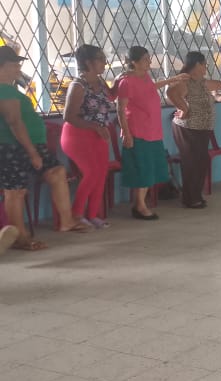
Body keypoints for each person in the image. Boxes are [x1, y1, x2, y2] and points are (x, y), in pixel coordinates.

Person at [0, 45, 90, 249]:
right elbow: (14, 122)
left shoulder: (10, 89)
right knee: (15, 191)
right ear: (2, 66)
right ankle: (20, 238)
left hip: (30, 144)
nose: (18, 68)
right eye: (14, 64)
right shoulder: (3, 90)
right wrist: (32, 152)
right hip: (12, 147)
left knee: (56, 172)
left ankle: (66, 221)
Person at [115, 46, 187, 220]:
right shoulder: (126, 82)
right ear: (134, 62)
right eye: (146, 59)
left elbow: (150, 87)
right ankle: (140, 205)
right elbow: (120, 109)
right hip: (138, 131)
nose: (150, 61)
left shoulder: (145, 77)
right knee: (143, 169)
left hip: (153, 130)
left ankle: (139, 204)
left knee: (151, 168)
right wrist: (127, 133)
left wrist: (173, 79)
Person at [166, 52, 221, 208]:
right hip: (188, 128)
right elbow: (170, 93)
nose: (206, 67)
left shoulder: (200, 81)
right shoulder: (184, 80)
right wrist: (184, 109)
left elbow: (215, 85)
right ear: (197, 64)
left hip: (201, 128)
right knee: (192, 162)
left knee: (200, 161)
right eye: (204, 64)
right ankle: (190, 199)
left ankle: (196, 195)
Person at [61, 44, 116, 229]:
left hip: (98, 134)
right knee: (91, 173)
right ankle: (76, 215)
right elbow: (69, 116)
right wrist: (95, 127)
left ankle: (92, 215)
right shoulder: (78, 85)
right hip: (77, 135)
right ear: (88, 62)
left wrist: (124, 79)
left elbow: (112, 97)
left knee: (101, 173)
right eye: (100, 59)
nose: (104, 62)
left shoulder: (100, 82)